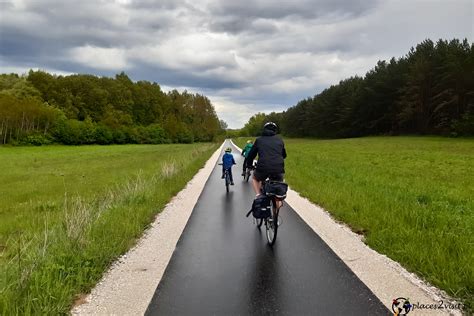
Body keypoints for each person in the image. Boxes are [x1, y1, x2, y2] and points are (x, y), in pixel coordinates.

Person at [246, 122, 286, 207]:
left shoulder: (259, 140)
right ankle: (277, 211)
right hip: (278, 169)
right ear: (275, 130)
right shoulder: (280, 140)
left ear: (264, 130)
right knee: (278, 185)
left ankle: (258, 196)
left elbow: (251, 155)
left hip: (263, 168)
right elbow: (284, 155)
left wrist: (249, 164)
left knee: (255, 178)